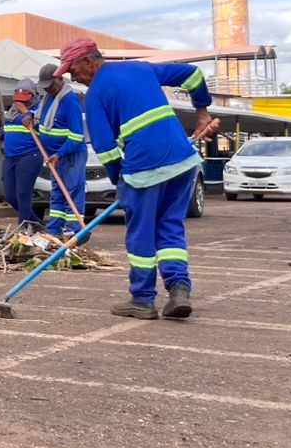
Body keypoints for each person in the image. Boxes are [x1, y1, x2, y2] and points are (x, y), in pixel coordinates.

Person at [58, 38, 216, 320]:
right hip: (182, 160)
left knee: (141, 235)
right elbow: (194, 74)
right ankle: (179, 288)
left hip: (144, 167)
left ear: (89, 62)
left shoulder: (94, 97)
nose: (73, 77)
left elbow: (106, 151)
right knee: (169, 227)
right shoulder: (141, 69)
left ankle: (142, 300)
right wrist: (202, 110)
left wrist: (121, 181)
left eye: (73, 69)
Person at [35, 64, 87, 237]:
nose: (48, 89)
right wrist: (29, 116)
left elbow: (76, 135)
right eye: (45, 87)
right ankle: (54, 229)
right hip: (53, 157)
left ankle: (74, 230)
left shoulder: (70, 101)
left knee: (71, 191)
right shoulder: (48, 98)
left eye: (50, 85)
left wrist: (60, 153)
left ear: (60, 80)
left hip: (70, 155)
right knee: (57, 192)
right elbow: (39, 115)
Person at [0, 78, 44, 227]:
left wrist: (25, 112)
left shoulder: (39, 109)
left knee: (23, 194)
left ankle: (23, 228)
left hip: (29, 155)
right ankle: (36, 223)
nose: (20, 101)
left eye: (24, 98)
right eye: (18, 98)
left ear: (33, 95)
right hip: (11, 157)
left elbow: (41, 129)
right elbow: (7, 132)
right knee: (11, 196)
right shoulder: (11, 111)